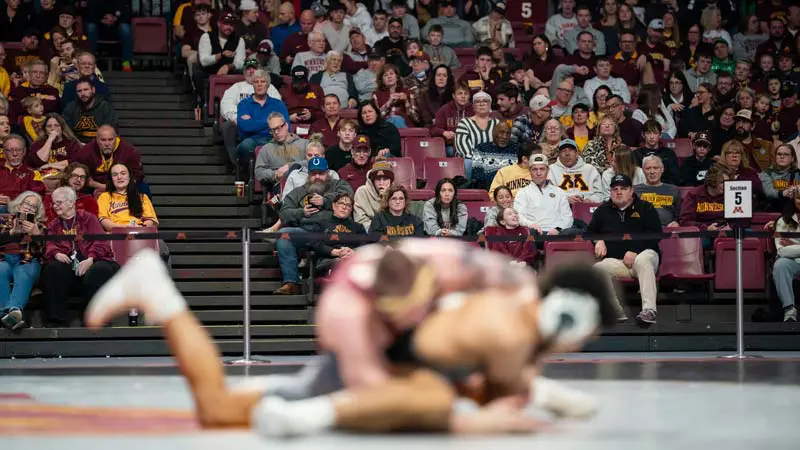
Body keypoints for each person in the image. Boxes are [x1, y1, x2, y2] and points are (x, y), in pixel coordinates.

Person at [83, 238, 616, 436]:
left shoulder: (469, 272)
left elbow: (513, 288)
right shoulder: (348, 316)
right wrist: (472, 419)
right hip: (373, 334)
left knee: (220, 410)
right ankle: (162, 293)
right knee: (219, 410)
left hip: (411, 311)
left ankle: (160, 291)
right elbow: (378, 392)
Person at [589, 174, 663, 324]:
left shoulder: (645, 208)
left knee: (643, 259)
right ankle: (615, 312)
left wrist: (636, 250)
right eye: (615, 189)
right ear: (610, 192)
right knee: (598, 268)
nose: (619, 192)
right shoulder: (602, 211)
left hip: (645, 258)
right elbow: (588, 232)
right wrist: (598, 240)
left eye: (623, 188)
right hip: (619, 262)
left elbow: (656, 235)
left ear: (632, 190)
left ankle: (649, 310)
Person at [41, 186, 119, 327]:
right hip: (69, 266)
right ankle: (56, 321)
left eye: (59, 202)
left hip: (93, 260)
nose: (55, 206)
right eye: (54, 203)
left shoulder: (88, 218)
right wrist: (56, 253)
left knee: (100, 270)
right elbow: (49, 245)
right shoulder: (53, 224)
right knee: (52, 269)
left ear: (71, 203)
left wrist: (91, 259)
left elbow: (101, 242)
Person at [274, 156, 353, 295]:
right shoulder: (299, 191)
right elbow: (284, 213)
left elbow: (349, 195)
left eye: (321, 173)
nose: (317, 177)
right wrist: (301, 212)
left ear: (327, 174)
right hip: (307, 232)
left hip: (333, 232)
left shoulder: (337, 184)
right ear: (308, 175)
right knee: (285, 235)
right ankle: (291, 283)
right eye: (313, 173)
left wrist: (326, 201)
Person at [97, 163, 171, 269]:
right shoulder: (104, 197)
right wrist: (124, 229)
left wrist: (141, 228)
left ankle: (163, 282)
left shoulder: (142, 197)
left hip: (140, 233)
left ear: (129, 176)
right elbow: (104, 221)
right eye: (115, 174)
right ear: (111, 179)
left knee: (162, 246)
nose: (119, 177)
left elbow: (151, 221)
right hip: (116, 235)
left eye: (123, 173)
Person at [0, 191, 46, 331]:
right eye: (27, 204)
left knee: (24, 270)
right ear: (19, 204)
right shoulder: (3, 219)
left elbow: (43, 252)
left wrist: (36, 234)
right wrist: (12, 232)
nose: (28, 208)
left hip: (27, 260)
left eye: (33, 207)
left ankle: (11, 311)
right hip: (4, 259)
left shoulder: (40, 226)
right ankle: (11, 316)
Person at [513, 153, 575, 237]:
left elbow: (567, 217)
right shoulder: (523, 192)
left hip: (556, 233)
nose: (538, 173)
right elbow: (519, 216)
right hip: (535, 233)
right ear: (529, 171)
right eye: (534, 169)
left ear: (548, 170)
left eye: (542, 169)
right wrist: (531, 225)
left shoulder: (559, 192)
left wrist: (558, 229)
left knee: (574, 232)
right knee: (530, 234)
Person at [772, 195, 800, 322]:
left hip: (793, 257)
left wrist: (793, 245)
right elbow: (782, 251)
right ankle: (789, 310)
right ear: (793, 200)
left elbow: (788, 249)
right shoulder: (783, 221)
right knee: (780, 264)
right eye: (799, 198)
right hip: (792, 262)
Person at [636, 155, 681, 227]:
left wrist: (676, 222)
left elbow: (680, 214)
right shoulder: (634, 190)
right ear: (643, 170)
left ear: (662, 169)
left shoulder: (674, 190)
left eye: (655, 168)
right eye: (648, 168)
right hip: (642, 230)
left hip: (668, 230)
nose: (652, 172)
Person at [353, 159, 394, 231]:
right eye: (378, 179)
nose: (381, 183)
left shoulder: (396, 193)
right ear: (372, 180)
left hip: (394, 231)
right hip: (370, 233)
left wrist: (385, 197)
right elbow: (361, 221)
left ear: (391, 181)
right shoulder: (362, 192)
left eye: (385, 179)